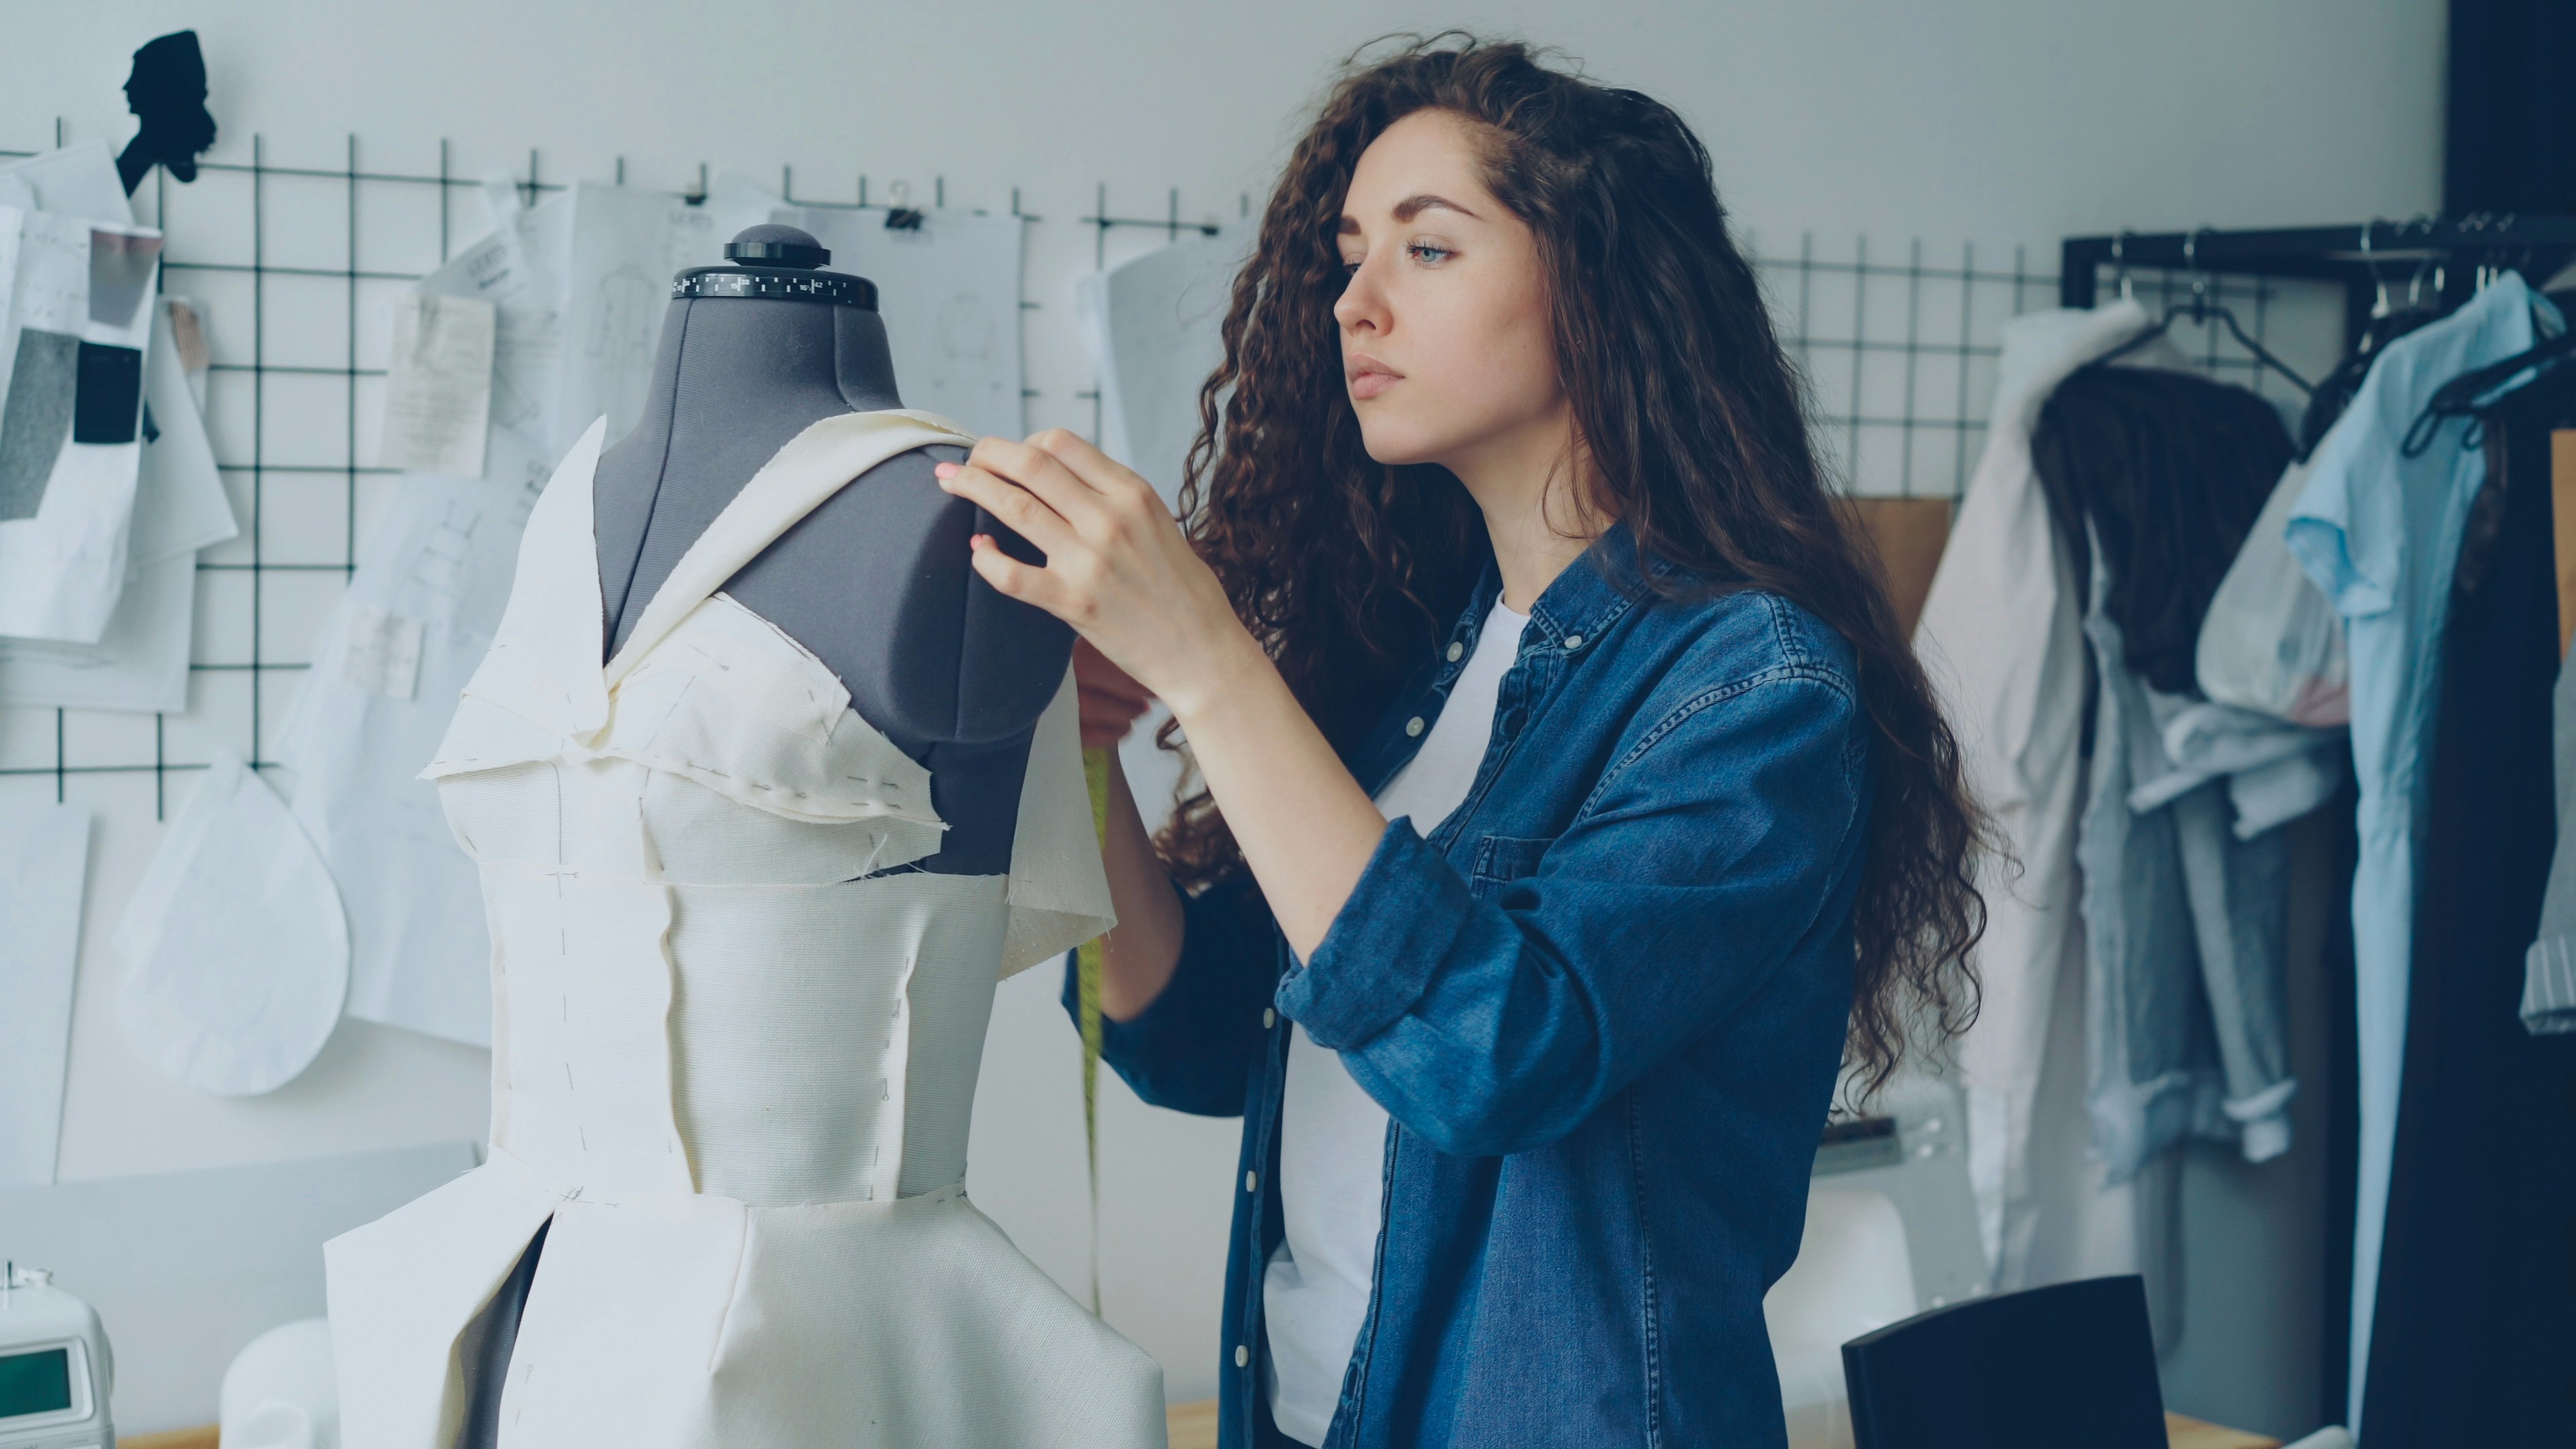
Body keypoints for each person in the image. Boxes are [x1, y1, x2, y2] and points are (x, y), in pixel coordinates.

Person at [935, 35, 1986, 1449]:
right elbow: (1202, 1030)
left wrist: (1203, 656)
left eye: (1426, 250)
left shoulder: (1756, 686)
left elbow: (1494, 1050)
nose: (1354, 302)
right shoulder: (1424, 660)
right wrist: (1085, 756)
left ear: (1600, 288)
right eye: (1349, 255)